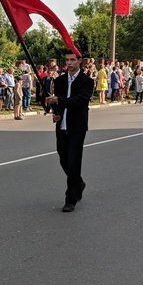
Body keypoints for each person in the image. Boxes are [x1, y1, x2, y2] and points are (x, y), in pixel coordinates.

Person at [45, 48, 94, 212]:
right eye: (67, 60)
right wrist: (55, 112)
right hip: (62, 126)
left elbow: (79, 101)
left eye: (72, 60)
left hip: (77, 127)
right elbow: (57, 105)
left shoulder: (87, 81)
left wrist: (59, 100)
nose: (69, 63)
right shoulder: (59, 81)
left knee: (74, 161)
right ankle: (78, 183)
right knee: (63, 159)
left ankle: (71, 198)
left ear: (79, 61)